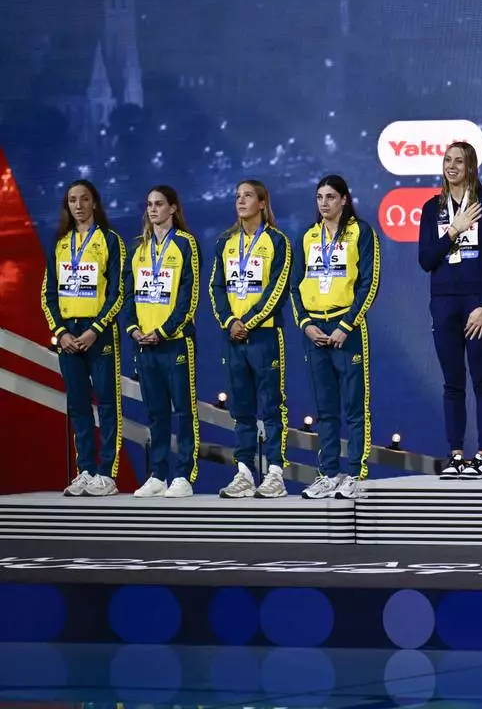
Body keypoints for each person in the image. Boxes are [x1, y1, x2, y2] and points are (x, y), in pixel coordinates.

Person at [418, 142, 482, 480]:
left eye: (459, 161)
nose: (451, 166)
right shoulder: (431, 207)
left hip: (476, 302)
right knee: (452, 382)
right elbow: (426, 260)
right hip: (443, 302)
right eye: (447, 160)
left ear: (471, 167)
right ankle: (456, 455)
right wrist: (454, 229)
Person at [291, 174, 380, 499]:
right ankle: (328, 472)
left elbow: (368, 283)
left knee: (355, 406)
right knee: (325, 409)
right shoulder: (308, 236)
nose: (324, 203)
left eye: (330, 197)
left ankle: (355, 474)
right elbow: (295, 286)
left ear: (344, 199)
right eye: (319, 197)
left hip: (348, 330)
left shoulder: (361, 232)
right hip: (314, 330)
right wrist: (305, 324)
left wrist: (347, 325)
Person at [41, 180, 127, 497]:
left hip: (99, 333)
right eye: (72, 200)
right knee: (78, 405)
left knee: (106, 403)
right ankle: (85, 471)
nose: (78, 205)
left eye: (84, 199)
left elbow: (119, 293)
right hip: (68, 335)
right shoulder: (61, 243)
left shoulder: (110, 241)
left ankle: (107, 474)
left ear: (95, 203)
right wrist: (61, 332)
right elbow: (48, 293)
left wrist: (95, 329)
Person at [209, 179, 293, 499]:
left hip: (265, 335)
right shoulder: (225, 243)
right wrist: (231, 321)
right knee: (241, 408)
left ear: (262, 202)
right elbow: (216, 287)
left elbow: (278, 288)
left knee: (271, 406)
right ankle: (244, 472)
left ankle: (274, 473)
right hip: (234, 338)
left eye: (247, 196)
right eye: (237, 197)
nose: (241, 201)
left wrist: (250, 321)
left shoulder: (277, 241)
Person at [121, 186, 201, 498]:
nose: (153, 210)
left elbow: (188, 296)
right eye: (149, 205)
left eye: (159, 204)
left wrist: (164, 330)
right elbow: (128, 295)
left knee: (183, 410)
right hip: (145, 343)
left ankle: (184, 475)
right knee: (155, 413)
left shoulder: (185, 243)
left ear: (173, 208)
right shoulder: (139, 247)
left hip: (175, 342)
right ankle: (158, 474)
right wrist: (133, 330)